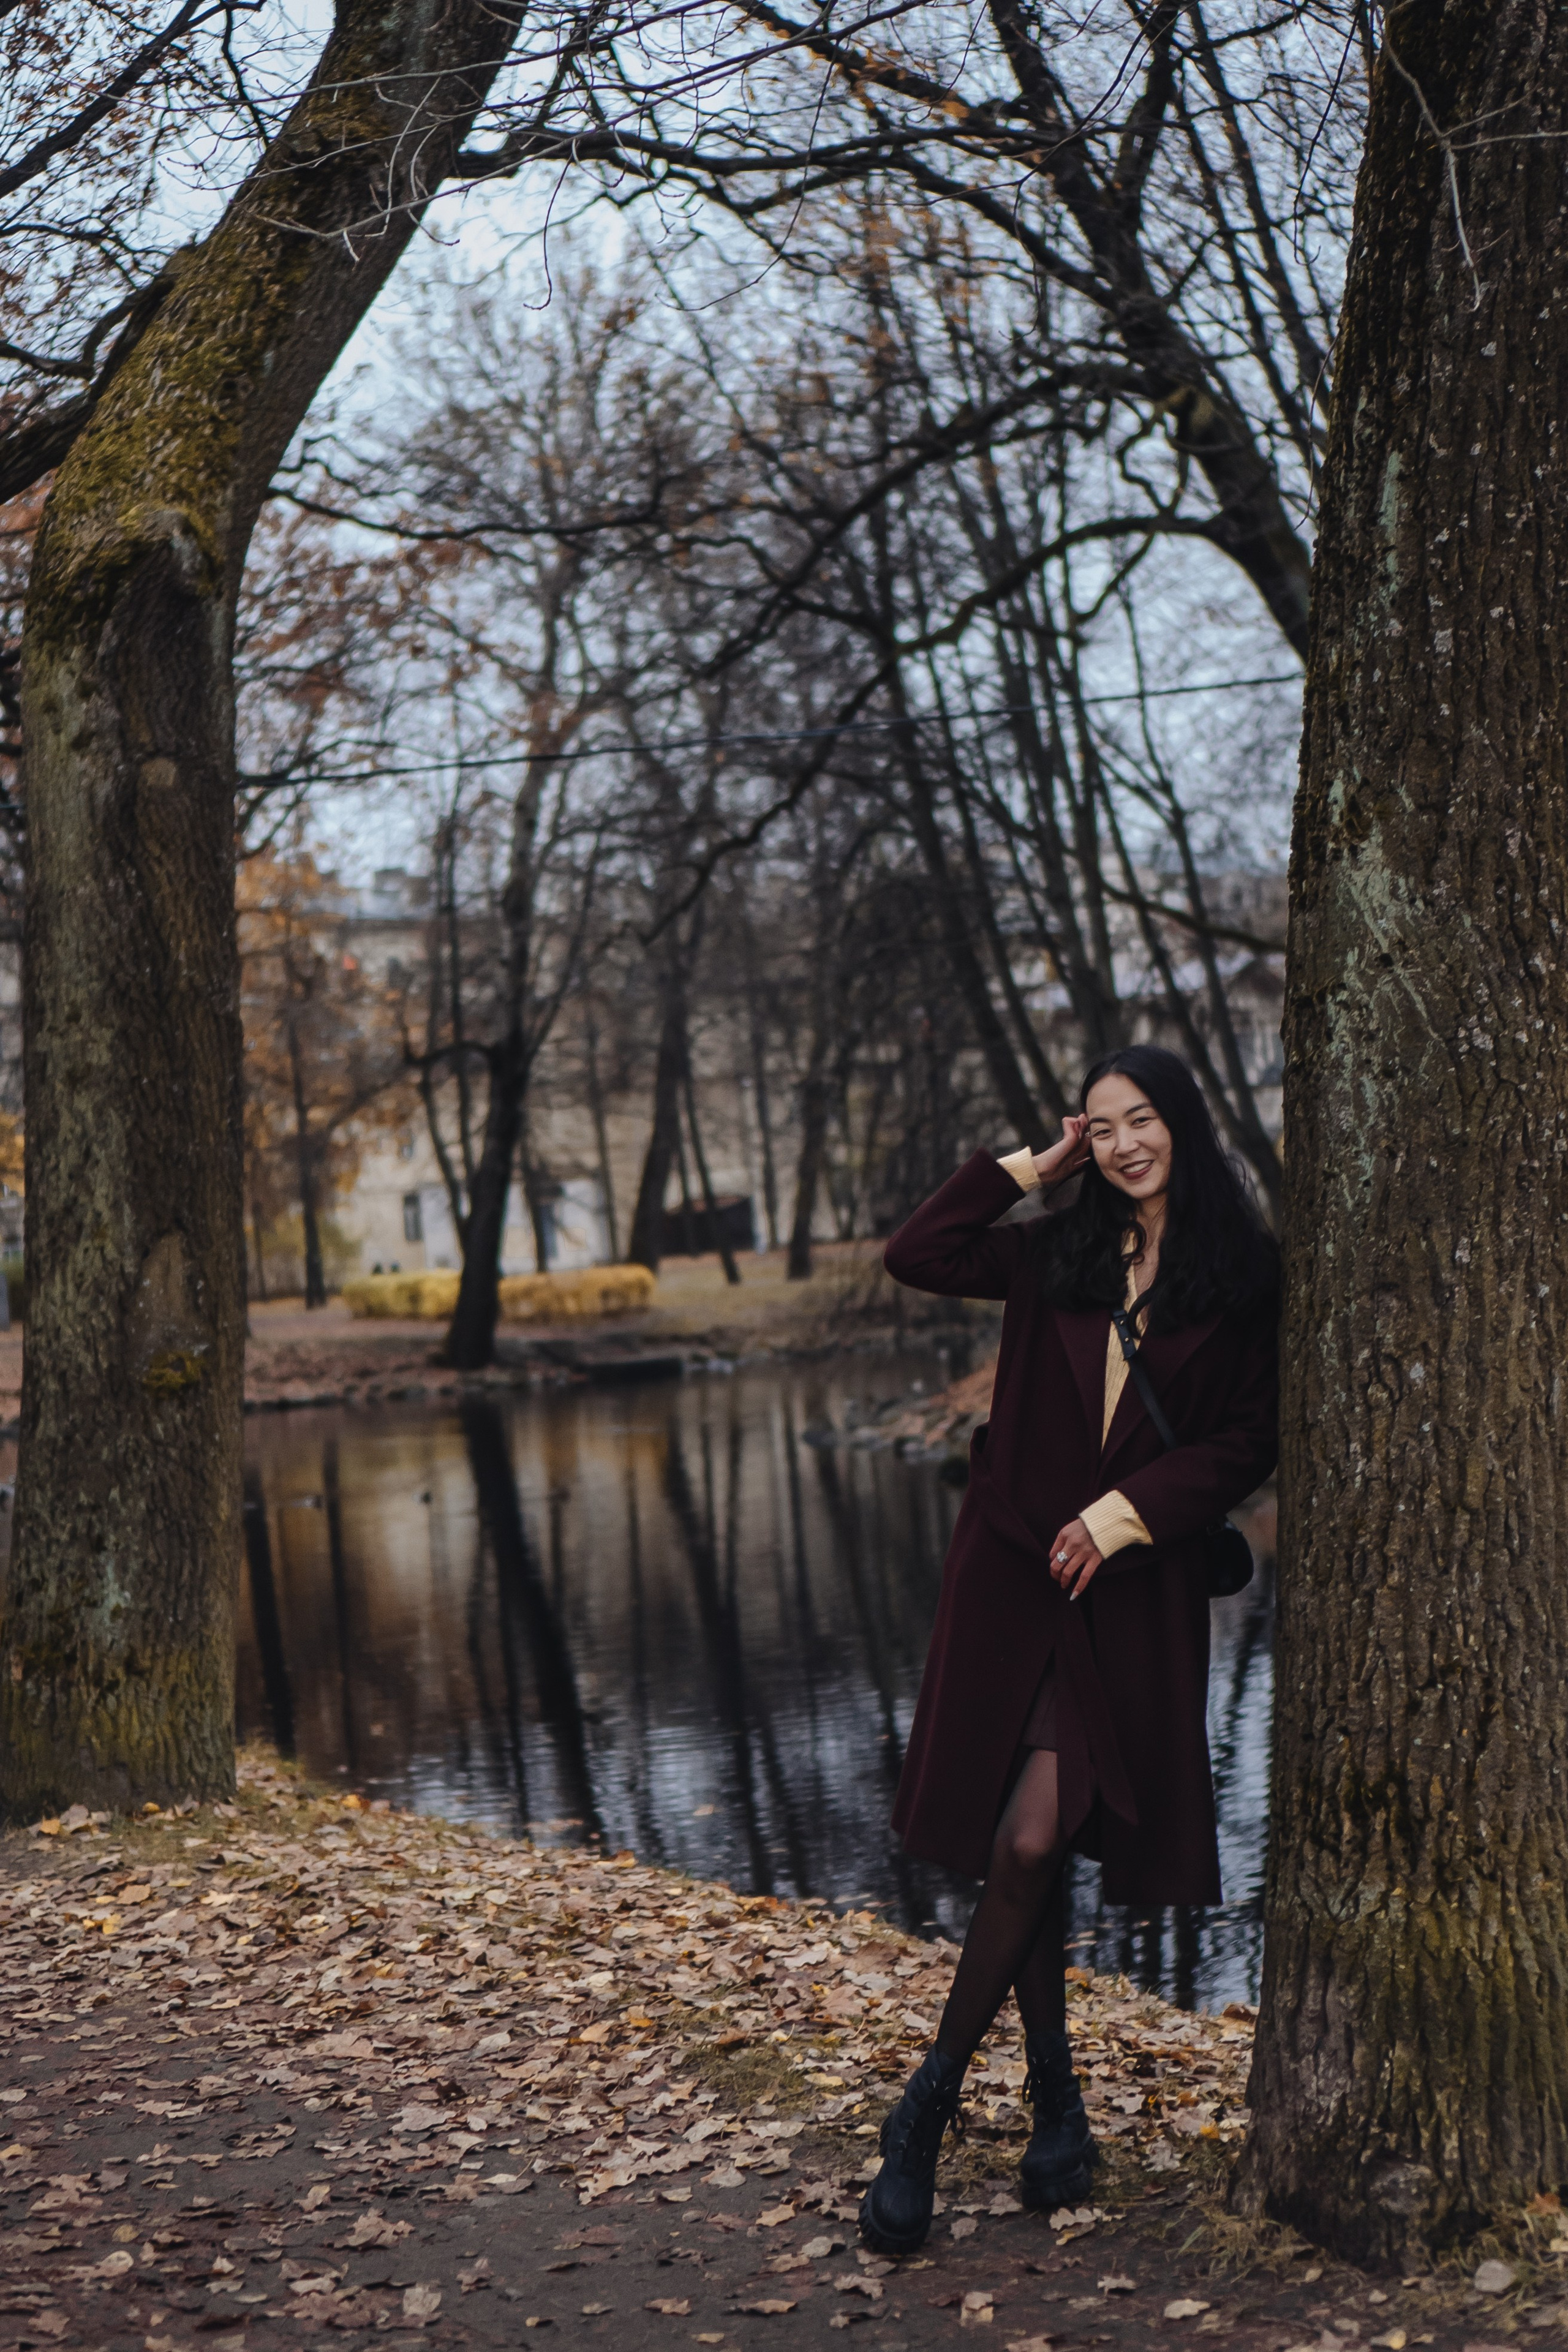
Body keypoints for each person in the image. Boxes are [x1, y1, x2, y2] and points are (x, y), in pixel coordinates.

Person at [860, 1045, 1280, 2256]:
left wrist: (1125, 1510)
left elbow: (1246, 1441)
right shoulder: (1057, 1253)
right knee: (1024, 1845)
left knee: (1035, 1838)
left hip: (1125, 1590)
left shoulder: (1245, 1277)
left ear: (1181, 1128)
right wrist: (1020, 1169)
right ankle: (1049, 2103)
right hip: (1008, 1584)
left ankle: (927, 2107)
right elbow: (916, 1253)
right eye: (1097, 1129)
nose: (1121, 1143)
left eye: (1139, 1119)